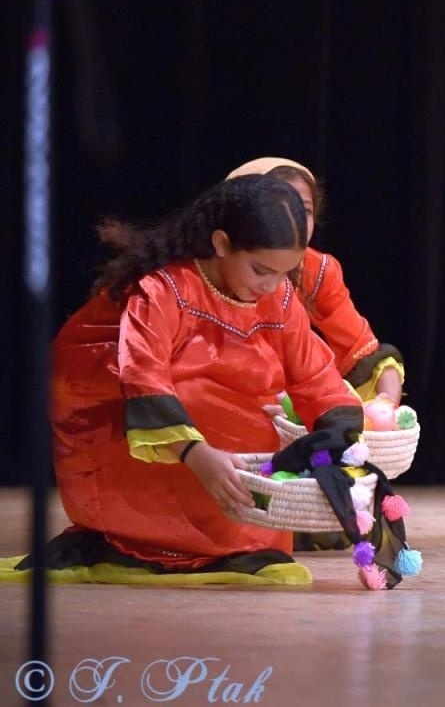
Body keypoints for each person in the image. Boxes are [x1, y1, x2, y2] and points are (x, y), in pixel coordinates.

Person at [0, 176, 370, 586]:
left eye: (282, 274)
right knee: (199, 392)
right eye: (260, 270)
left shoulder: (278, 296)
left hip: (205, 424)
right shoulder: (164, 288)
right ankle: (148, 541)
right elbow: (141, 373)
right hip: (111, 405)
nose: (269, 286)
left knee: (254, 407)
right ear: (221, 243)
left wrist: (341, 434)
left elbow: (314, 373)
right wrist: (196, 453)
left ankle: (230, 541)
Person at [228, 157, 404, 405]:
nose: (294, 221)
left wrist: (387, 406)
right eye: (280, 208)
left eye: (305, 210)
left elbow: (357, 345)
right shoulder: (207, 275)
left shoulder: (316, 270)